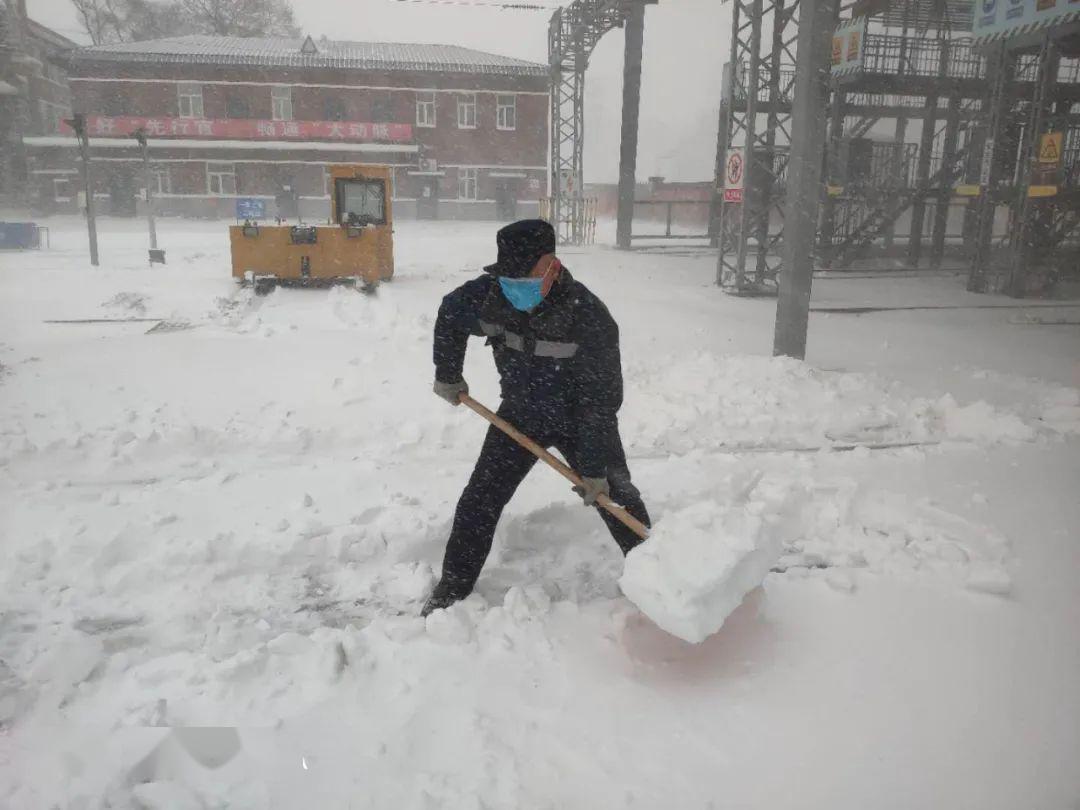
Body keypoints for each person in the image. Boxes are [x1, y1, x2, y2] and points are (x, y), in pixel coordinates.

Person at [423, 219, 651, 616]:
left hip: (581, 421)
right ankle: (452, 589)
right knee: (479, 500)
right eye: (507, 277)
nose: (515, 287)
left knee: (617, 497)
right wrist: (448, 372)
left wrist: (594, 466)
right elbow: (450, 314)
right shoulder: (493, 296)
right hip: (520, 415)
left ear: (551, 266)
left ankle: (660, 575)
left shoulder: (590, 317)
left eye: (523, 277)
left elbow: (602, 400)